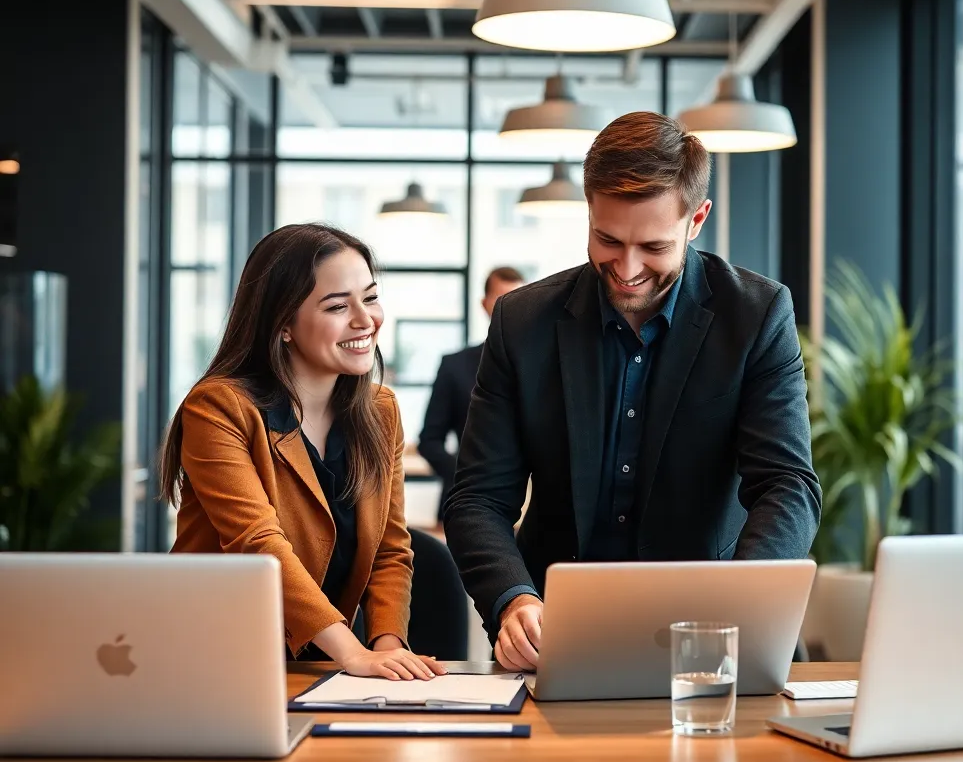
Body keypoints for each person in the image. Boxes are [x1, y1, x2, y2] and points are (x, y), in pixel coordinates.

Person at [444, 112, 822, 672]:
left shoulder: (757, 314)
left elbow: (787, 484)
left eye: (653, 246)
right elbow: (478, 498)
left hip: (715, 635)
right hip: (559, 635)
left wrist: (743, 606)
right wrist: (513, 598)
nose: (626, 269)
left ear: (696, 221)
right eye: (608, 239)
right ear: (590, 211)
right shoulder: (522, 323)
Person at [161, 223, 445, 682]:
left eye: (370, 298)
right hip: (213, 663)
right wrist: (352, 653)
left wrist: (387, 650)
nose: (365, 319)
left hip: (321, 670)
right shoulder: (218, 408)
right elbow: (258, 545)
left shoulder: (380, 410)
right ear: (283, 325)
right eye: (337, 306)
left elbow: (391, 549)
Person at [417, 267, 526, 523]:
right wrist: (466, 474)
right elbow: (429, 440)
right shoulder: (454, 365)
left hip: (534, 511)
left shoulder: (546, 365)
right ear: (484, 304)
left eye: (519, 301)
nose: (511, 310)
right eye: (502, 300)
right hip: (465, 502)